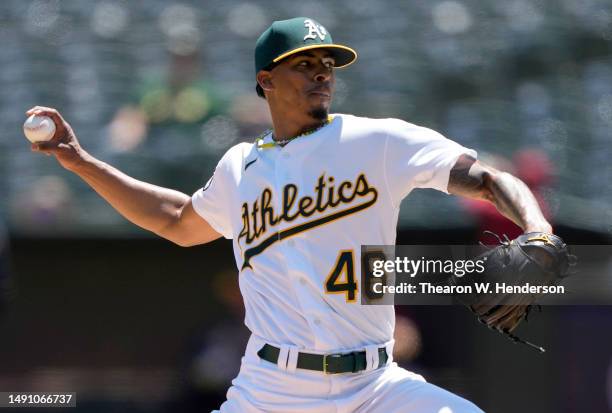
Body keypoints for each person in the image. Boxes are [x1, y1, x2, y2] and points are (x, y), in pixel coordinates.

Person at [27, 17, 553, 413]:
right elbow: (176, 220)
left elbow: (488, 178)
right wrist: (80, 161)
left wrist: (538, 229)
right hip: (272, 389)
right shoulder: (240, 168)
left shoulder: (376, 141)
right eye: (305, 64)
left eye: (327, 66)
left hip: (375, 386)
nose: (321, 75)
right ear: (266, 80)